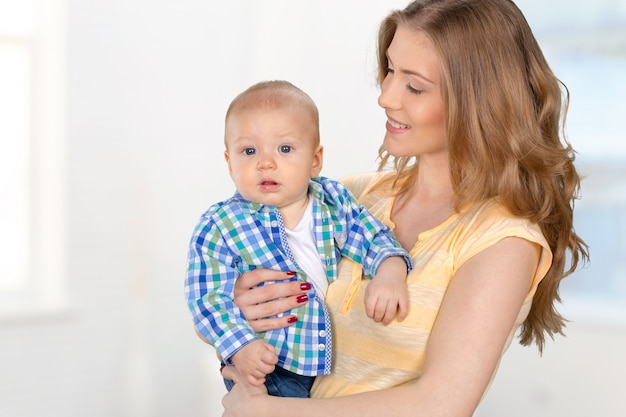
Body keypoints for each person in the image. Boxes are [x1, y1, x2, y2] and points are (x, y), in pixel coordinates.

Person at [219, 0, 590, 416]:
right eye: (390, 70)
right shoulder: (348, 198)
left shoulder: (502, 241)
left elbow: (440, 404)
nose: (386, 97)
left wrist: (266, 411)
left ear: (477, 103)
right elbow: (229, 307)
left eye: (414, 87)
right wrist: (238, 300)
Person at [185, 80, 412, 398]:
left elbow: (371, 236)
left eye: (285, 149)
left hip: (325, 363)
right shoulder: (220, 225)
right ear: (229, 163)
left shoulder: (333, 200)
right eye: (249, 151)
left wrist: (390, 269)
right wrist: (241, 346)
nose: (265, 162)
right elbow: (207, 299)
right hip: (268, 363)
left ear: (315, 160)